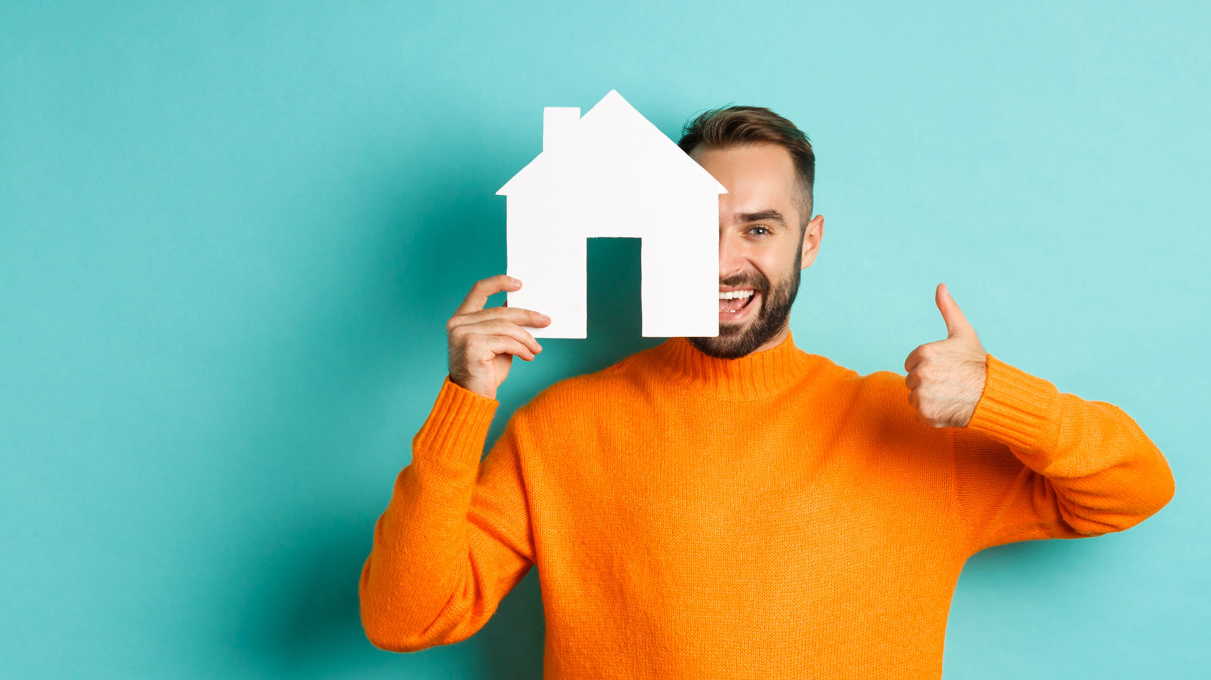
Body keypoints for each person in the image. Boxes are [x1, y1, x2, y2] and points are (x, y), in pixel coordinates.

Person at [357, 105, 1176, 678]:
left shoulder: (905, 427)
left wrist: (997, 395)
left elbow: (1136, 487)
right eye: (697, 227)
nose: (723, 261)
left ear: (807, 242)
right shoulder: (562, 429)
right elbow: (404, 618)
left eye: (758, 228)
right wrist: (464, 400)